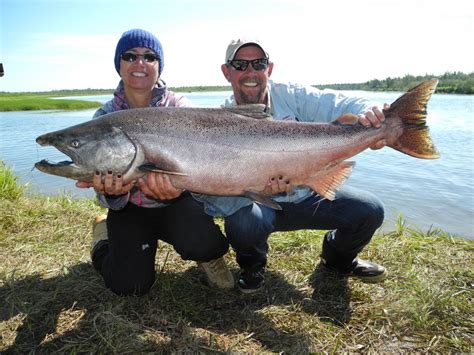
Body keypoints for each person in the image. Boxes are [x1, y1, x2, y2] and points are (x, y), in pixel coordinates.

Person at [194, 38, 387, 293]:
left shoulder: (293, 95)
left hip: (309, 195)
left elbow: (341, 104)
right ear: (226, 72)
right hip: (261, 208)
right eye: (240, 64)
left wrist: (371, 114)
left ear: (269, 69)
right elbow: (213, 192)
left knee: (370, 210)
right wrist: (258, 190)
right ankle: (253, 265)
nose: (250, 72)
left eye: (258, 63)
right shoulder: (218, 123)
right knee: (241, 222)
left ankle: (338, 260)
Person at [77, 29, 234, 296]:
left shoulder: (181, 108)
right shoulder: (103, 117)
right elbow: (99, 183)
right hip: (130, 210)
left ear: (159, 67)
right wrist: (111, 195)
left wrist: (181, 188)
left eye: (149, 57)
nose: (140, 63)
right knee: (129, 285)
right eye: (130, 56)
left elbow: (204, 163)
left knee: (206, 244)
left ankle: (209, 258)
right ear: (119, 65)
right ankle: (103, 241)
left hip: (178, 204)